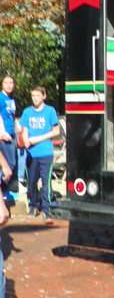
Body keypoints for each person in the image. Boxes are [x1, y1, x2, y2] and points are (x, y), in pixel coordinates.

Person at [20, 85, 59, 225]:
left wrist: (38, 139)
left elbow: (56, 131)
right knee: (31, 182)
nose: (35, 98)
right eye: (33, 96)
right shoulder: (27, 112)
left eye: (38, 95)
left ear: (44, 96)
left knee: (45, 182)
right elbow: (24, 130)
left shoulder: (50, 111)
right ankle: (33, 206)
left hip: (45, 152)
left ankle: (47, 211)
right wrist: (25, 139)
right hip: (31, 153)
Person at [0, 76, 19, 193]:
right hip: (4, 136)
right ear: (2, 84)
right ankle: (2, 190)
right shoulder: (1, 97)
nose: (8, 85)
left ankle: (6, 190)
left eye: (11, 82)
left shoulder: (11, 99)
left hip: (12, 134)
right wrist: (1, 132)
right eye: (6, 82)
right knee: (9, 163)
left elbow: (10, 116)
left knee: (13, 162)